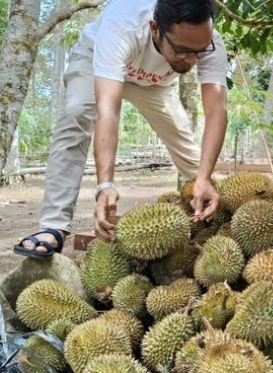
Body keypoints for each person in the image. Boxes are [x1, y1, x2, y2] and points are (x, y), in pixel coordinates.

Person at [13, 0, 228, 258]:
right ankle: (53, 225)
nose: (193, 59)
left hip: (154, 85)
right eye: (183, 51)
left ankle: (220, 212)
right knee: (76, 117)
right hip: (96, 65)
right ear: (154, 28)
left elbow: (217, 111)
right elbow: (108, 110)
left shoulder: (208, 42)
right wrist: (105, 186)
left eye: (200, 51)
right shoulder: (123, 24)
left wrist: (203, 178)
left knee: (189, 152)